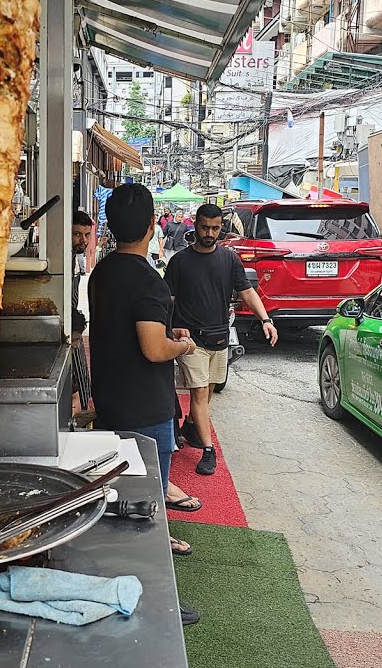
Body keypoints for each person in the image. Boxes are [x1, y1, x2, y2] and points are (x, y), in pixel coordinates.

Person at [88, 184, 202, 625]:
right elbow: (153, 349)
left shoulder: (104, 272)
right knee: (148, 504)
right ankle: (153, 596)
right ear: (154, 224)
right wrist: (183, 345)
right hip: (145, 408)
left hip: (113, 399)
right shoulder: (148, 281)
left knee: (120, 500)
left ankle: (120, 578)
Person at [165, 204, 278, 475]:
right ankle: (208, 449)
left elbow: (247, 291)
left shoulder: (229, 259)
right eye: (205, 227)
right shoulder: (180, 262)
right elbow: (168, 301)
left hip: (220, 337)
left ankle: (191, 428)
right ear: (196, 225)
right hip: (191, 341)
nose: (209, 233)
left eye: (215, 228)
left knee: (208, 392)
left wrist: (266, 320)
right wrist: (167, 331)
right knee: (200, 392)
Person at [70, 211, 94, 421]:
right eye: (77, 234)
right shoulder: (63, 258)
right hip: (66, 328)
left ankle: (83, 409)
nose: (83, 240)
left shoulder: (75, 259)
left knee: (81, 371)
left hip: (74, 325)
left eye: (86, 235)